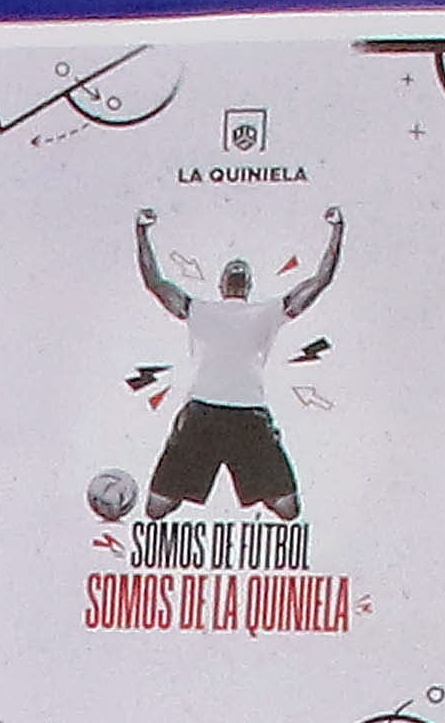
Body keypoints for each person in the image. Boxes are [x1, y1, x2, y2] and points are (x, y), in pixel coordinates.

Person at [133, 205, 344, 520]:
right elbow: (155, 282)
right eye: (233, 267)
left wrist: (338, 231)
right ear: (221, 285)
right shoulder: (198, 309)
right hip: (201, 415)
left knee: (288, 510)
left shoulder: (267, 312)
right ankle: (201, 480)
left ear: (247, 286)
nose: (237, 269)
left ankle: (251, 480)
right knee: (156, 509)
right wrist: (141, 232)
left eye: (241, 268)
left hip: (248, 418)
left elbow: (319, 280)